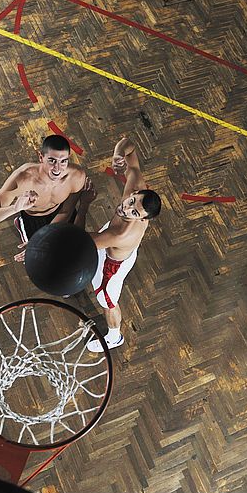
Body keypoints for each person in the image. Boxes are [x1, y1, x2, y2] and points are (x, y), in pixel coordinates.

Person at [75, 136, 161, 352]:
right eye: (131, 202)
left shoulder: (121, 233)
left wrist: (78, 206)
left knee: (108, 302)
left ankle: (114, 336)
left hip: (111, 267)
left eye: (134, 212)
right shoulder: (136, 183)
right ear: (134, 192)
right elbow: (129, 145)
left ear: (142, 219)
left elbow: (79, 242)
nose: (126, 209)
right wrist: (118, 153)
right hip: (114, 246)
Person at [0, 134, 90, 261]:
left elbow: (66, 210)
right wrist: (14, 208)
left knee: (71, 254)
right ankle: (21, 223)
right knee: (40, 260)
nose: (57, 169)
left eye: (63, 161)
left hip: (61, 212)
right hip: (34, 218)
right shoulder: (23, 179)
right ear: (41, 157)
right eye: (52, 161)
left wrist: (43, 240)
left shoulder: (76, 176)